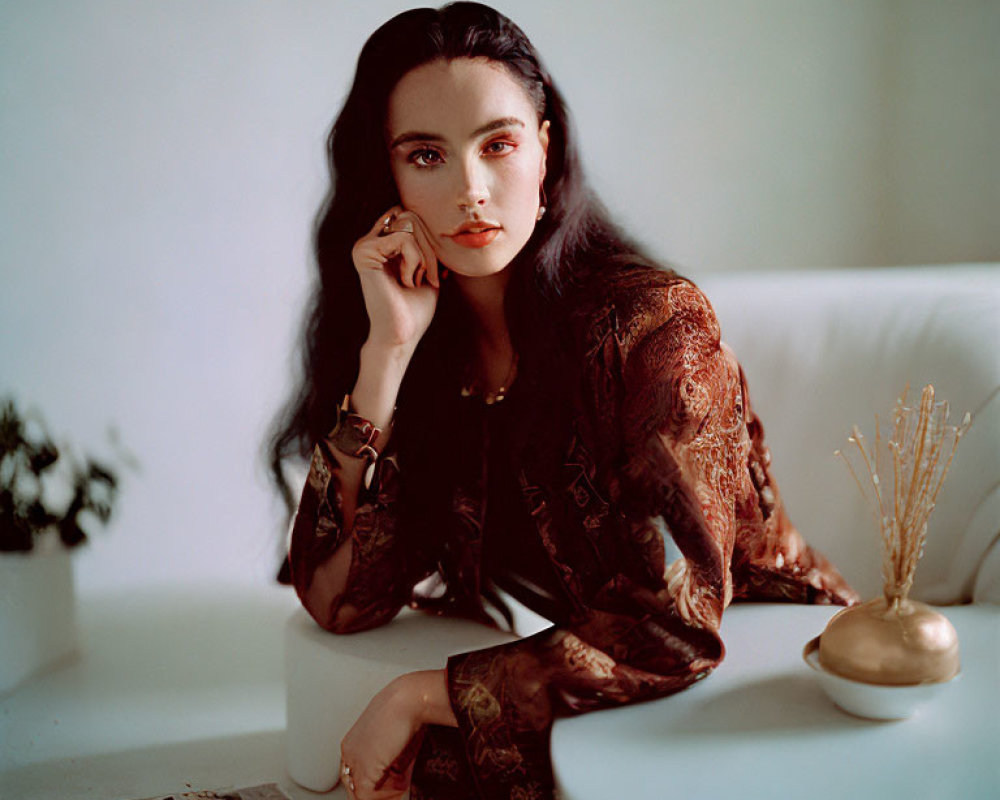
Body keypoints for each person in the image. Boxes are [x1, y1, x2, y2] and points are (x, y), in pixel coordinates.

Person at [267, 3, 859, 799]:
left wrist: (418, 692)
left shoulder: (655, 325)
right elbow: (337, 601)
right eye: (427, 154)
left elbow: (674, 626)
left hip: (770, 662)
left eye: (499, 144)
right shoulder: (431, 350)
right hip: (613, 668)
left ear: (545, 151)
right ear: (390, 178)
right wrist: (387, 356)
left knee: (431, 768)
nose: (471, 190)